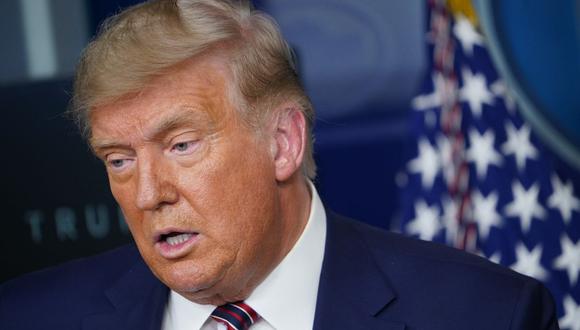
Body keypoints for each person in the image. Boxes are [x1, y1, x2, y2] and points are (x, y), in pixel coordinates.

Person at [0, 1, 559, 329]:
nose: (147, 194)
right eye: (119, 159)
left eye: (181, 145)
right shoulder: (28, 317)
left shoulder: (484, 315)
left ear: (284, 142)